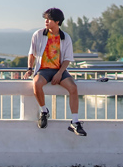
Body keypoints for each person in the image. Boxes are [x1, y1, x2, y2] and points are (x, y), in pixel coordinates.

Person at [24, 8, 87, 136]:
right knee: (36, 83)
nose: (46, 21)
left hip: (59, 70)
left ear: (57, 21)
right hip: (43, 70)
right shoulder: (38, 34)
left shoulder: (65, 38)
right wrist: (30, 69)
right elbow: (32, 53)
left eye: (49, 19)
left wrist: (59, 73)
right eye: (45, 19)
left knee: (73, 88)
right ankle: (44, 111)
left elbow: (67, 59)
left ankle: (75, 122)